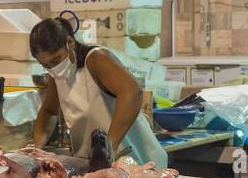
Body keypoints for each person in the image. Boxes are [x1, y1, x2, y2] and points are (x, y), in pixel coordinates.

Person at [29, 16, 167, 168]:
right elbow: (48, 111)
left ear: (70, 42)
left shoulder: (95, 59)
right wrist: (37, 147)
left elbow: (132, 92)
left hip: (137, 161)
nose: (53, 68)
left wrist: (109, 147)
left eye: (55, 60)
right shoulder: (57, 74)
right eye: (45, 65)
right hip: (97, 165)